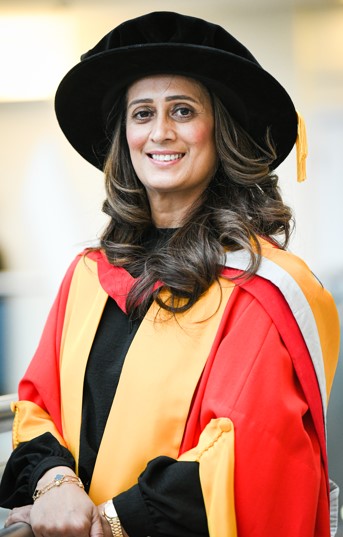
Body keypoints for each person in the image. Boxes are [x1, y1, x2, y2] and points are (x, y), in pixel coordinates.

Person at [0, 10, 340, 537]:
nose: (160, 132)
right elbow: (37, 402)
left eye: (182, 110)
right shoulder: (89, 275)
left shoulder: (260, 290)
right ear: (124, 137)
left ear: (219, 130)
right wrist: (55, 483)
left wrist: (106, 524)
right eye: (142, 114)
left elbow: (248, 456)